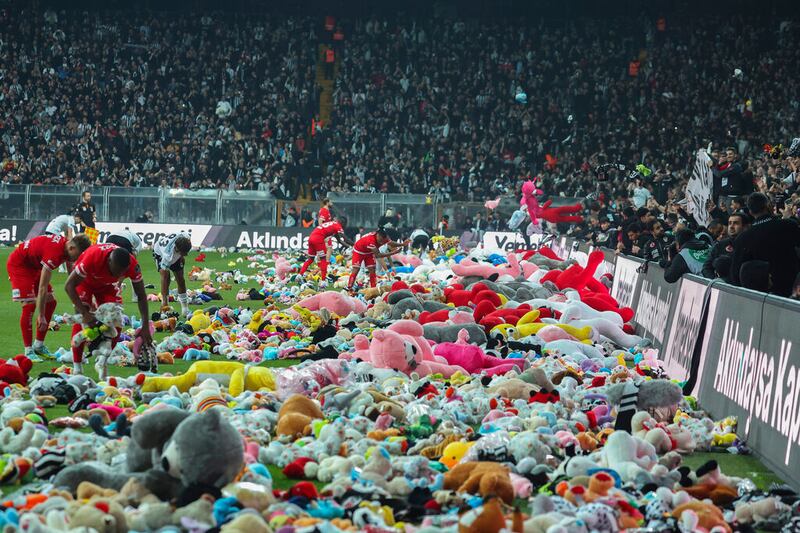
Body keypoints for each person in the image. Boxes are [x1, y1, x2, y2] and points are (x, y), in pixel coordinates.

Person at [64, 244, 152, 375]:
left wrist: (145, 326)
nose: (119, 275)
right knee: (82, 319)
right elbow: (69, 285)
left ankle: (102, 362)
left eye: (122, 272)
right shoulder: (92, 257)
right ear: (109, 261)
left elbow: (141, 295)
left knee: (116, 320)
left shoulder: (132, 264)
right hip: (85, 283)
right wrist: (85, 313)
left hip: (107, 287)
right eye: (116, 271)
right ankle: (77, 367)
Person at [6, 234, 91, 359]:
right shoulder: (54, 253)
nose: (76, 259)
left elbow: (70, 268)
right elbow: (42, 288)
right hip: (20, 266)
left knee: (51, 302)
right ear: (72, 248)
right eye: (77, 256)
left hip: (34, 267)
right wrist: (41, 315)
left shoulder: (67, 248)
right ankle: (28, 351)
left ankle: (38, 346)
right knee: (29, 306)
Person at [730, 192, 800, 297]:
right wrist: (791, 218)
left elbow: (735, 274)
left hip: (760, 298)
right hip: (792, 291)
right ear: (768, 205)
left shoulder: (742, 238)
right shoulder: (788, 225)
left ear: (750, 211)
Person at [299, 217, 353, 283]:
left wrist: (350, 247)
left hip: (311, 237)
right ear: (343, 223)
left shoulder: (333, 224)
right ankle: (323, 281)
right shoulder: (338, 226)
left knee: (311, 259)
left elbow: (340, 241)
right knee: (323, 259)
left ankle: (299, 275)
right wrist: (355, 246)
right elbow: (346, 239)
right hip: (318, 239)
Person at [702, 211, 751, 280]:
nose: (731, 226)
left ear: (746, 227)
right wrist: (718, 283)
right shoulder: (720, 245)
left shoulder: (752, 244)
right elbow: (706, 268)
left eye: (735, 223)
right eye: (729, 223)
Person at [153, 233, 193, 315]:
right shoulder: (167, 256)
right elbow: (164, 278)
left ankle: (185, 309)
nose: (186, 255)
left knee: (180, 279)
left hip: (173, 249)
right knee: (166, 278)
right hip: (159, 253)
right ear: (177, 249)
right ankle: (164, 304)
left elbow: (184, 248)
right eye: (184, 253)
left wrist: (181, 257)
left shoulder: (185, 237)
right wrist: (164, 301)